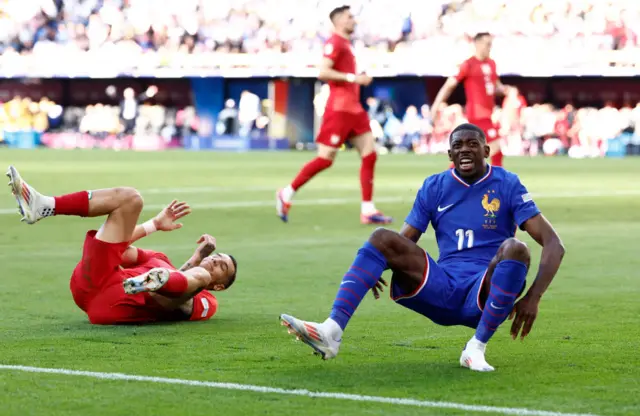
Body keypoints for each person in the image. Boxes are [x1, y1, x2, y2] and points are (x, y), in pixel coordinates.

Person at [280, 123, 565, 372]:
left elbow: (554, 243)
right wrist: (376, 264)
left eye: (472, 144)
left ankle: (475, 348)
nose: (465, 150)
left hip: (484, 293)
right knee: (381, 236)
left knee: (516, 248)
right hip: (442, 288)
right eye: (458, 146)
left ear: (486, 151)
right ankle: (331, 331)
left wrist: (533, 297)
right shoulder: (435, 186)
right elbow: (402, 242)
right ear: (450, 155)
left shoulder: (507, 184)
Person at [6, 166, 237, 325]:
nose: (216, 260)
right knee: (131, 198)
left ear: (219, 286)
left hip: (120, 303)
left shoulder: (209, 300)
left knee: (197, 280)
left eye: (222, 267)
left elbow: (181, 306)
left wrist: (195, 264)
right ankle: (44, 205)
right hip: (91, 281)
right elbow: (121, 249)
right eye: (218, 257)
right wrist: (154, 224)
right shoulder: (159, 258)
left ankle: (158, 282)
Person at [276, 5, 392, 225]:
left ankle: (367, 210)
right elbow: (323, 72)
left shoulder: (346, 44)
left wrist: (355, 78)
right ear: (338, 21)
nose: (354, 21)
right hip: (339, 109)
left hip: (354, 108)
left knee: (370, 153)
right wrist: (353, 78)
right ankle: (287, 193)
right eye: (350, 17)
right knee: (325, 159)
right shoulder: (335, 42)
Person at [431, 33, 508, 167]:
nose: (490, 47)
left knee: (472, 153)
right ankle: (497, 185)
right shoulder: (468, 65)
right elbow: (450, 85)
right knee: (494, 149)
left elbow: (495, 86)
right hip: (477, 117)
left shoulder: (492, 64)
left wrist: (507, 89)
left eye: (491, 44)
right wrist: (435, 105)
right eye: (487, 44)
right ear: (477, 44)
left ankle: (447, 180)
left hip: (488, 116)